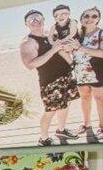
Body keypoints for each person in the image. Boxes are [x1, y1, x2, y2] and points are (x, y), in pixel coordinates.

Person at [20, 9, 80, 146]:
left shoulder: (50, 34)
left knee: (66, 104)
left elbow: (64, 49)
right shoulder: (27, 42)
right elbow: (30, 65)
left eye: (37, 17)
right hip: (50, 82)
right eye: (31, 19)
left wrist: (72, 60)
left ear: (43, 19)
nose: (35, 21)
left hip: (66, 75)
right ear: (26, 24)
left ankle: (61, 130)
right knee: (50, 111)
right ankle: (43, 139)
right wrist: (53, 50)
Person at [73, 6, 103, 140]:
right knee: (85, 99)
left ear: (98, 19)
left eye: (94, 16)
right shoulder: (77, 36)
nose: (90, 18)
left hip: (97, 72)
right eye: (86, 16)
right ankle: (86, 124)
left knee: (100, 100)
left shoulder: (101, 33)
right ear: (81, 19)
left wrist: (80, 47)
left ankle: (102, 127)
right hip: (80, 73)